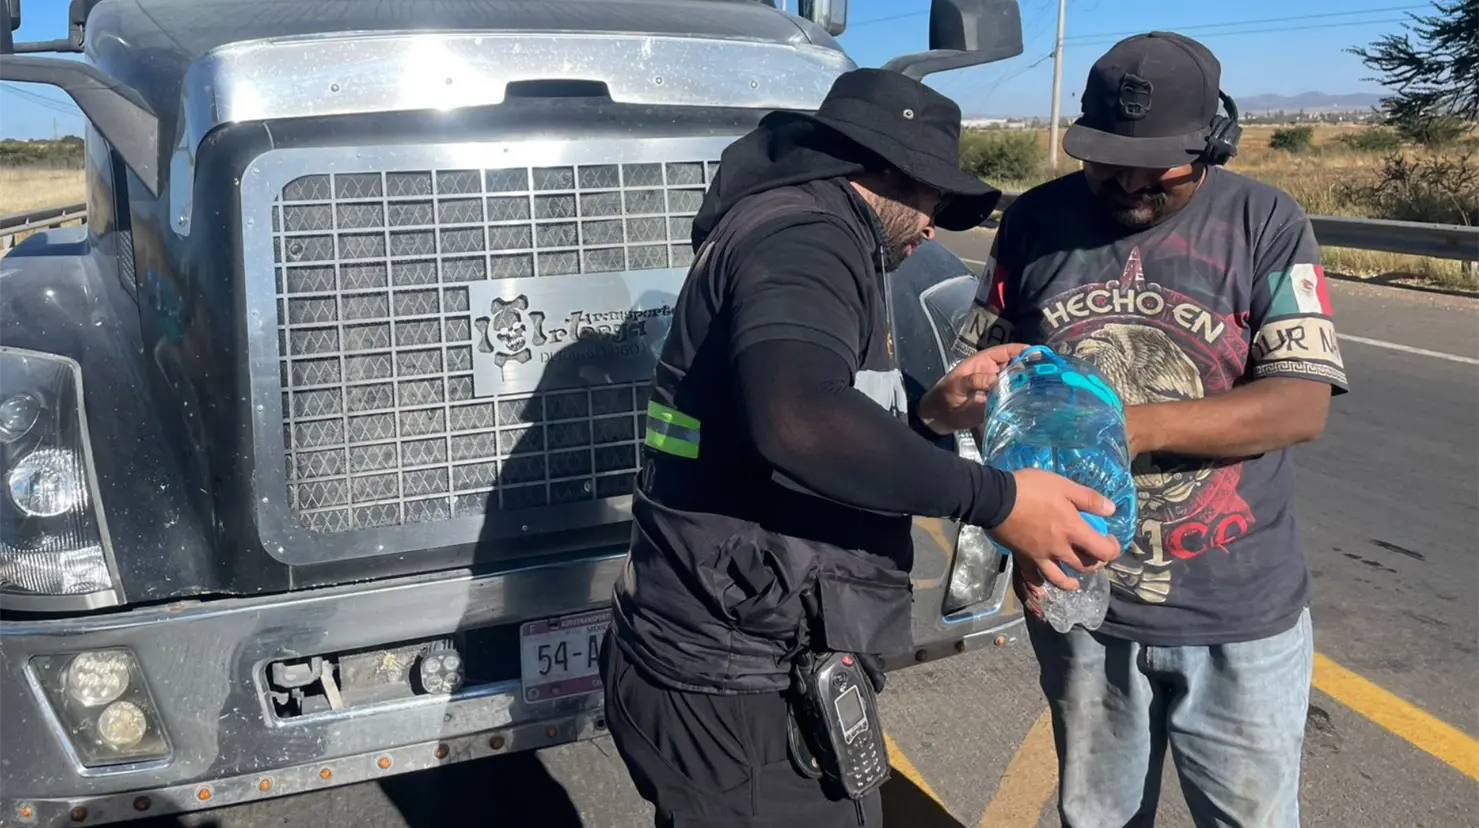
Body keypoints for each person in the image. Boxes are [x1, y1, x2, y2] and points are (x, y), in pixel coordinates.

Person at [600, 68, 1123, 828]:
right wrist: (1001, 501)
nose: (932, 228)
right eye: (932, 201)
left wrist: (928, 417)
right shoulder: (808, 235)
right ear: (881, 172)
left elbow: (791, 428)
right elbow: (797, 418)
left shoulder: (796, 227)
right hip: (738, 683)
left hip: (726, 656)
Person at [934, 31, 1350, 828]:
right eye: (1106, 158)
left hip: (1236, 610)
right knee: (1096, 817)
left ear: (1211, 143)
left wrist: (1122, 427)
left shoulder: (1265, 221)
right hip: (1080, 600)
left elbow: (1299, 404)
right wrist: (1005, 520)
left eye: (1153, 163)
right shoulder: (1033, 222)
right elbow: (982, 379)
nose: (1125, 180)